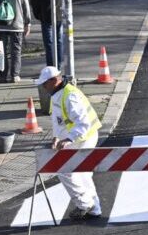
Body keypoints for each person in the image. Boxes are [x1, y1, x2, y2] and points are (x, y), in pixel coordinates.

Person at [35, 66, 103, 220]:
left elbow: (83, 123)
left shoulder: (70, 96)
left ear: (54, 80)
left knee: (64, 169)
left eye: (45, 83)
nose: (43, 87)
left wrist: (68, 139)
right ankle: (94, 209)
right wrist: (56, 137)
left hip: (85, 137)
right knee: (83, 174)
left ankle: (84, 204)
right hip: (79, 136)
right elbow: (58, 121)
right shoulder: (57, 94)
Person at [31, 0, 62, 67]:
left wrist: (39, 16)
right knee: (59, 41)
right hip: (58, 16)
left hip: (46, 18)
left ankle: (51, 66)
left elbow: (34, 3)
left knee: (49, 44)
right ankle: (59, 65)